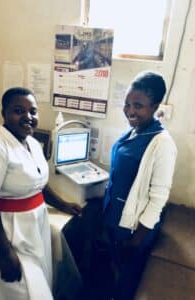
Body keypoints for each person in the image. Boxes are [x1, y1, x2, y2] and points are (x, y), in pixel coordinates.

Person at [63, 71, 177, 300]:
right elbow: (119, 178)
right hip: (113, 221)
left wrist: (135, 241)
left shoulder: (162, 144)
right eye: (127, 104)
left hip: (133, 230)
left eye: (138, 105)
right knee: (108, 275)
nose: (130, 111)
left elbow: (158, 198)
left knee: (126, 282)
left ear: (155, 106)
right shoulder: (132, 133)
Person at [0, 87, 82, 300]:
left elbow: (37, 183)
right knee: (21, 292)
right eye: (19, 110)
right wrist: (4, 255)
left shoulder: (31, 143)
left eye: (33, 111)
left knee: (38, 284)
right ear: (3, 113)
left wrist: (63, 205)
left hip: (32, 229)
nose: (28, 117)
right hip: (4, 234)